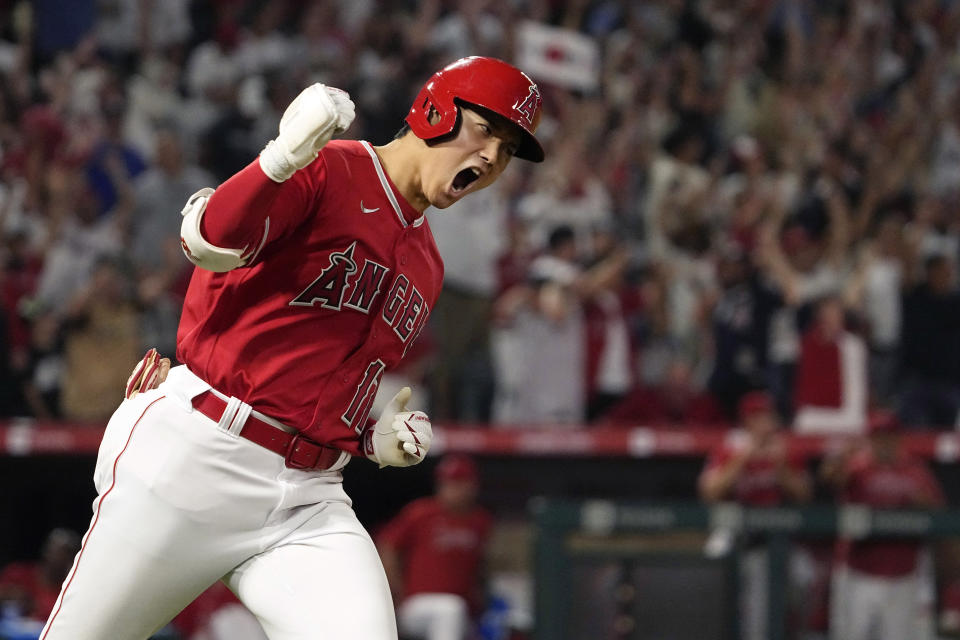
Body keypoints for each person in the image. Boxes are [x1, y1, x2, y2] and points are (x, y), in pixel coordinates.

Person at [39, 56, 544, 640]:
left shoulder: (428, 265)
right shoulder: (328, 166)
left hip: (309, 497)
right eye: (486, 131)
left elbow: (322, 378)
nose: (491, 158)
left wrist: (368, 437)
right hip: (201, 454)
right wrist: (277, 160)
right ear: (435, 111)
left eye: (506, 151)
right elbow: (207, 240)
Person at [821, 410, 945, 640]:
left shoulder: (914, 470)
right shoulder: (857, 467)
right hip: (858, 572)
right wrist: (841, 457)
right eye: (878, 437)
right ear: (870, 440)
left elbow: (938, 513)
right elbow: (829, 479)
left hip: (902, 574)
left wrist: (924, 504)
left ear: (898, 439)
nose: (884, 443)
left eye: (889, 437)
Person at [698, 390, 812, 640]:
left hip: (774, 539)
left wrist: (780, 465)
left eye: (767, 416)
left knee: (804, 577)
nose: (764, 423)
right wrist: (742, 459)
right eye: (757, 417)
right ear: (746, 421)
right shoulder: (730, 447)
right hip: (734, 535)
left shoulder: (786, 449)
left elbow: (804, 495)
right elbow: (709, 492)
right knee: (709, 570)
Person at [377, 454, 492, 640]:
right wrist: (394, 594)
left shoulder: (480, 521)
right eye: (447, 483)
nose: (452, 489)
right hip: (416, 606)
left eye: (459, 483)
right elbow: (387, 545)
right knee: (450, 610)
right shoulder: (421, 513)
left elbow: (481, 569)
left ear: (473, 485)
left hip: (463, 612)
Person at [0, 529, 80, 623]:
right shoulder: (17, 573)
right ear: (46, 551)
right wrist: (10, 595)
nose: (58, 557)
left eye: (65, 553)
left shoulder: (68, 592)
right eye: (56, 551)